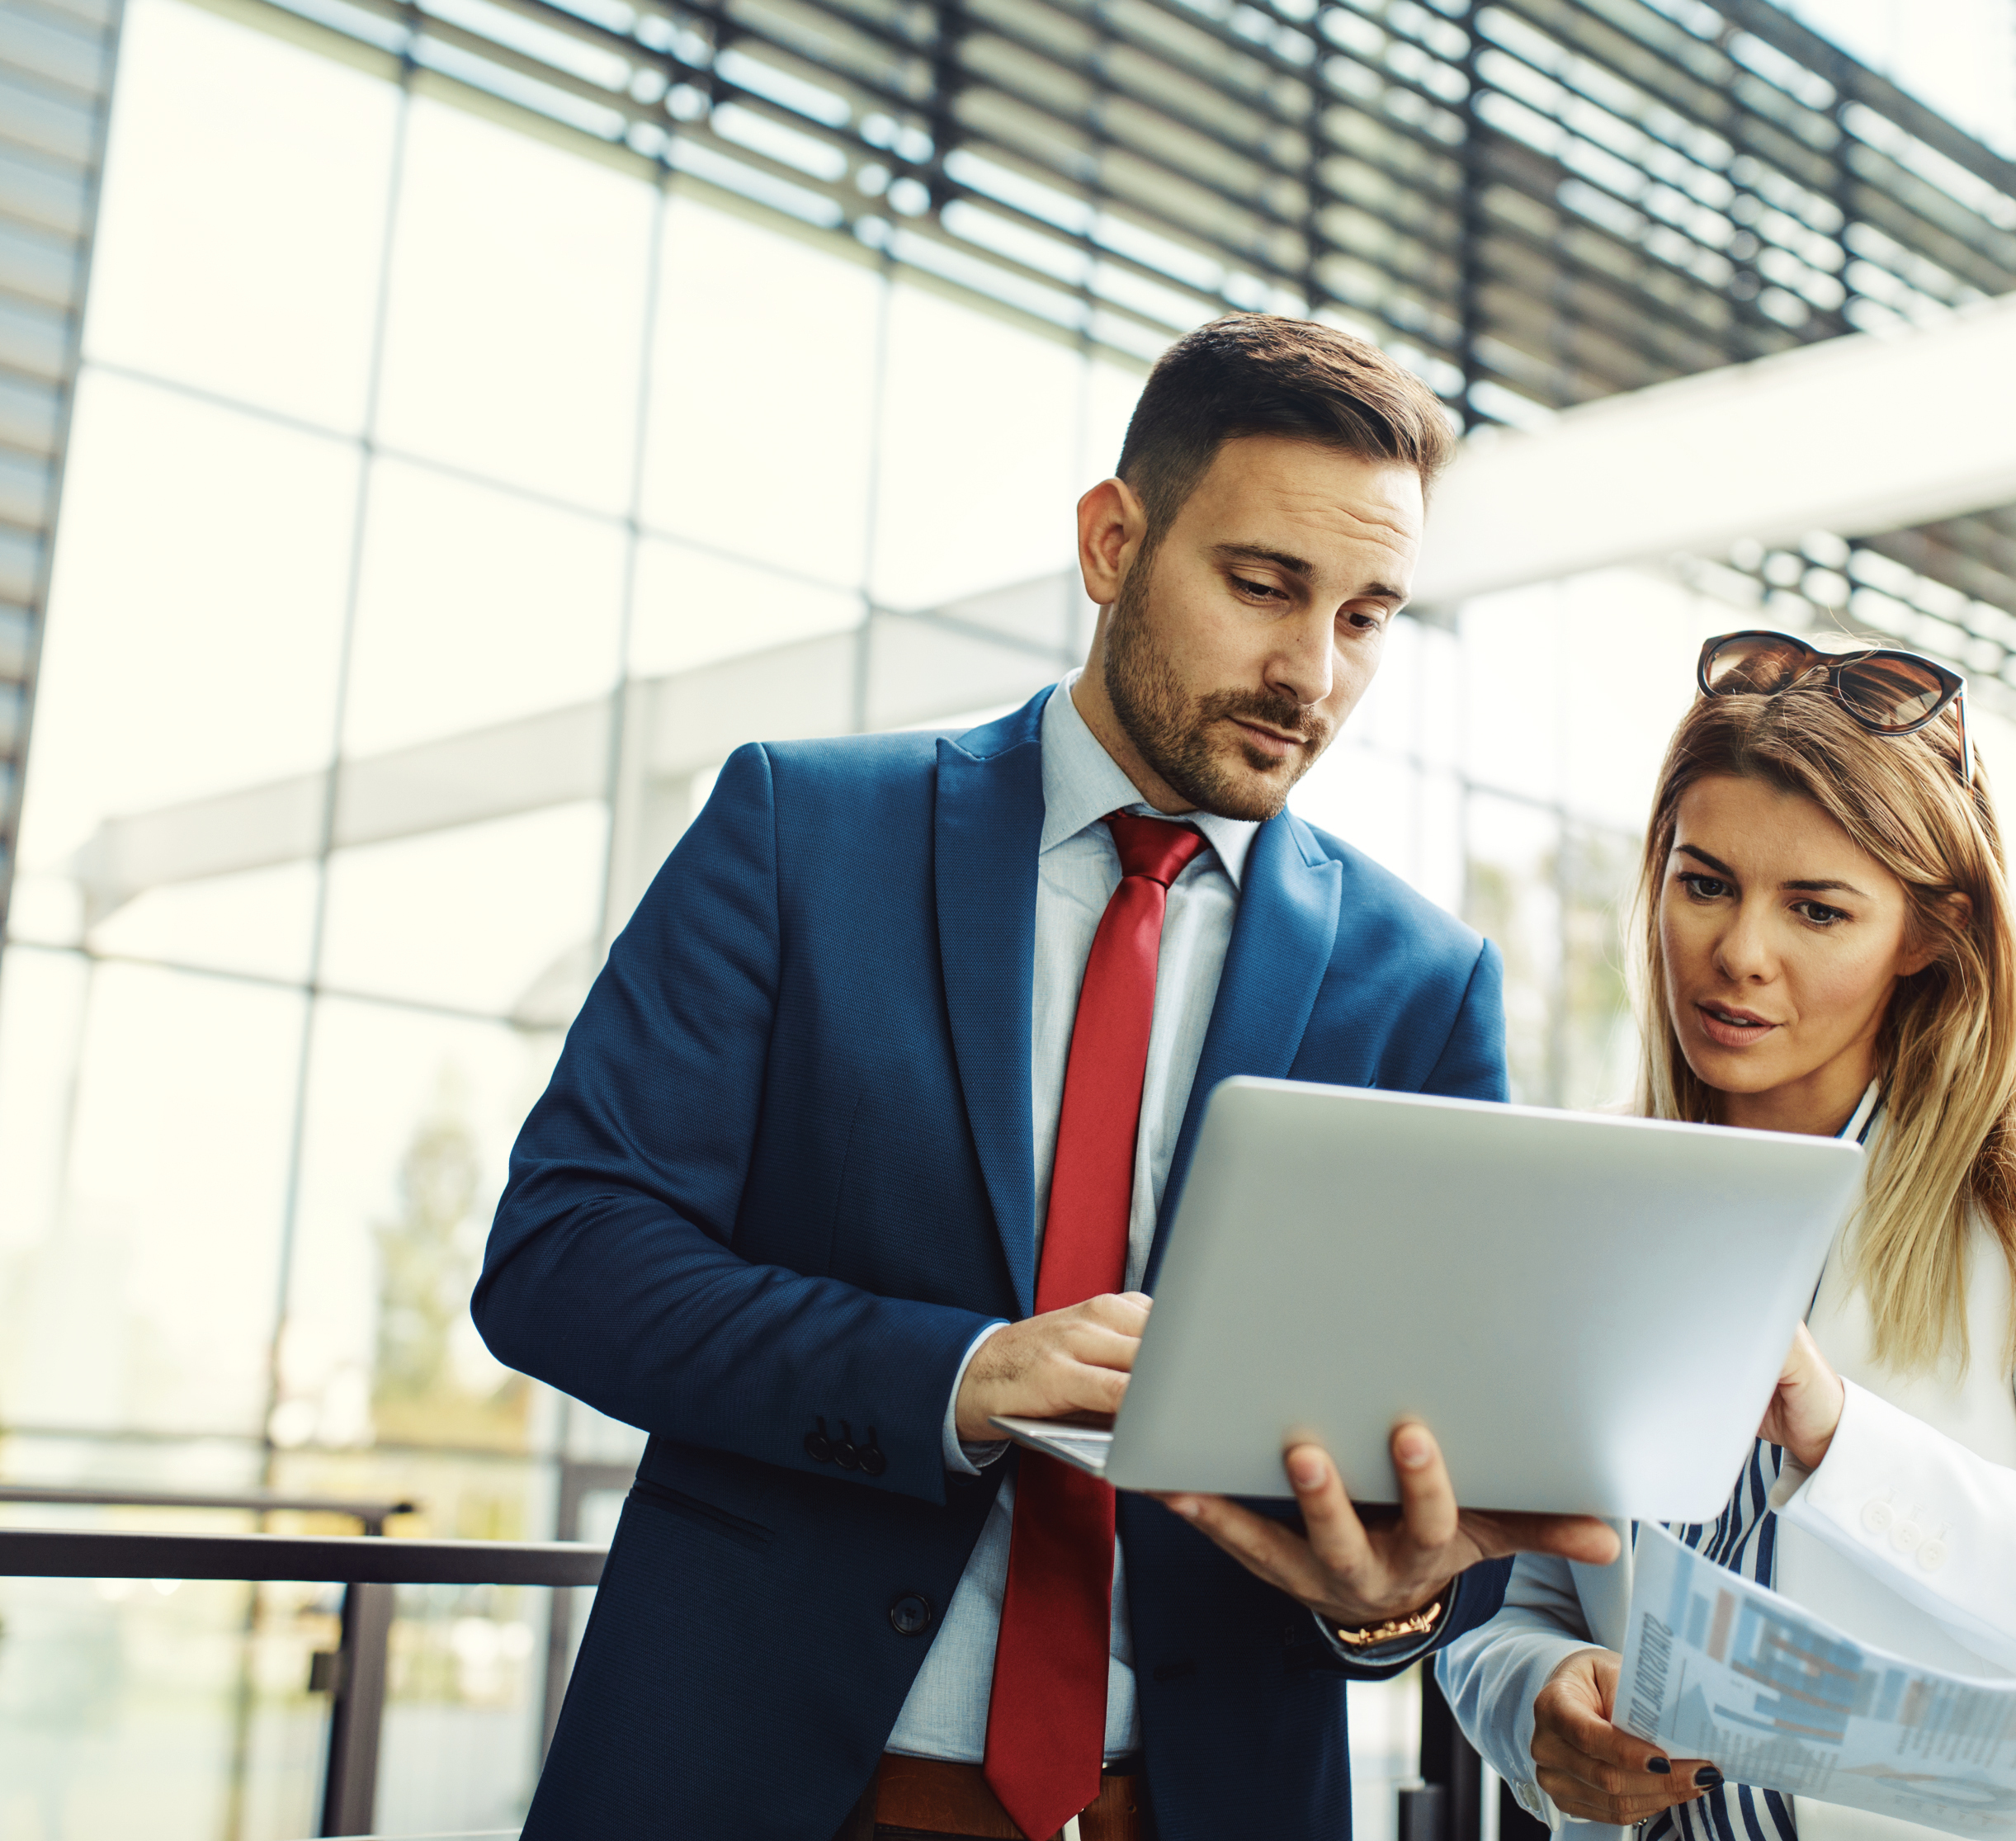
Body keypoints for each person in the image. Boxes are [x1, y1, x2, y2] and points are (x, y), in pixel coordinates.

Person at [474, 316, 1615, 1841]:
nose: (1308, 673)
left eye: (1366, 617)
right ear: (1112, 542)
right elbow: (561, 1258)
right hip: (774, 1787)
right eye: (1264, 585)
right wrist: (959, 1374)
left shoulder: (1421, 986)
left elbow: (1444, 1475)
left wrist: (1390, 1605)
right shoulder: (799, 837)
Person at [1435, 631, 2016, 1839]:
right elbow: (1518, 1602)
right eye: (1703, 882)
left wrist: (1841, 1443)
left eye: (1818, 910)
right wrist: (1533, 1700)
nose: (1739, 955)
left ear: (1930, 934)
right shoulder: (1594, 1190)